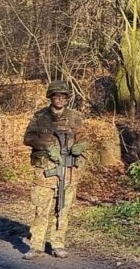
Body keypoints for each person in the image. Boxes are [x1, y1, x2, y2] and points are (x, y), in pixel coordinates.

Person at [21, 80, 89, 259]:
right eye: (56, 96)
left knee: (63, 209)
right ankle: (36, 246)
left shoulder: (74, 117)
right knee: (41, 209)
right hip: (45, 172)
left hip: (68, 172)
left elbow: (84, 138)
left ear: (67, 98)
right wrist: (47, 146)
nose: (59, 99)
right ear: (50, 97)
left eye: (63, 96)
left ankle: (58, 244)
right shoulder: (40, 116)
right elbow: (28, 138)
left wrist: (80, 146)